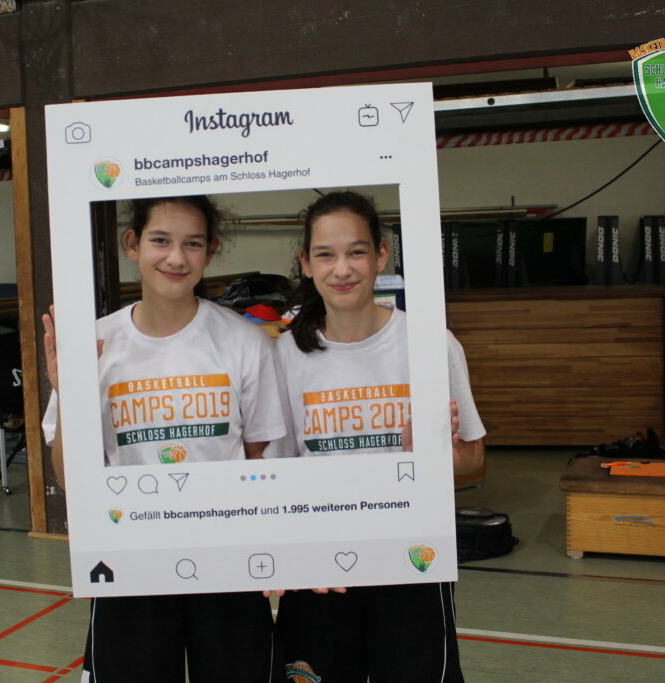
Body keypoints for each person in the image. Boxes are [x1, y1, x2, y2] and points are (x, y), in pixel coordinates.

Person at [41, 195, 286, 682]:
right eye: (160, 240)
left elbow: (261, 459)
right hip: (130, 561)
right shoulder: (96, 344)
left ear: (210, 251)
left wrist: (272, 553)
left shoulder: (244, 341)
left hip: (227, 562)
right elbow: (71, 479)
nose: (176, 258)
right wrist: (71, 393)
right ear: (133, 244)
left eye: (192, 244)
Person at [266, 191, 485, 683]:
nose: (342, 269)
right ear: (306, 263)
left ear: (381, 255)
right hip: (320, 567)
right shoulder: (286, 355)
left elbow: (473, 457)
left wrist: (437, 458)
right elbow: (276, 470)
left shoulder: (431, 343)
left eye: (357, 252)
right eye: (326, 254)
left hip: (412, 557)